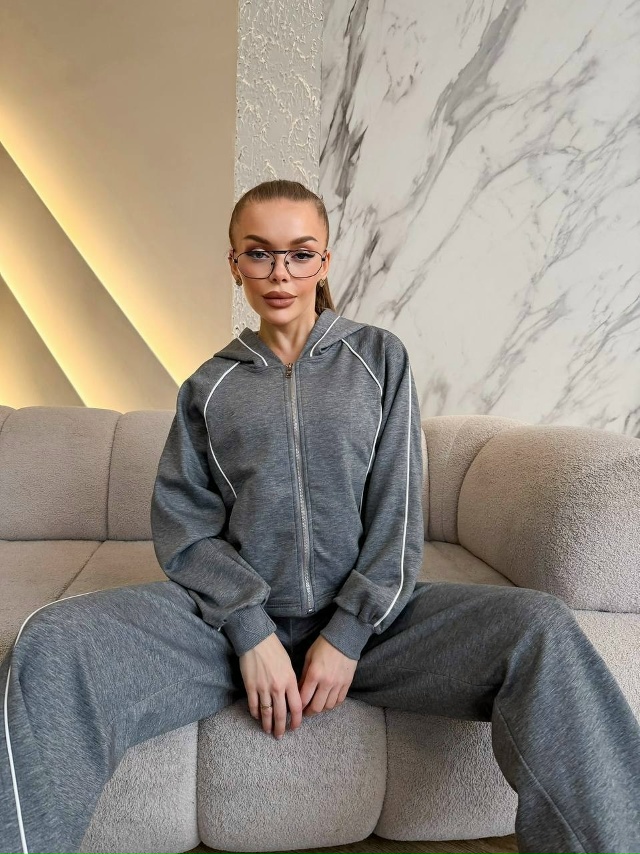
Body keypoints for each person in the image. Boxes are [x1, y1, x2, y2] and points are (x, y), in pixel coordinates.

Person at [0, 180, 638, 854]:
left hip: (380, 629)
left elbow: (397, 511)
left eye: (300, 254)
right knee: (54, 640)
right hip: (227, 634)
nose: (280, 274)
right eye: (259, 254)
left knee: (538, 627)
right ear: (234, 264)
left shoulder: (380, 359)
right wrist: (250, 630)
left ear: (325, 261)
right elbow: (186, 528)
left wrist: (349, 633)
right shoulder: (208, 389)